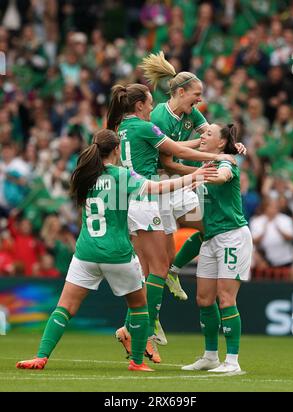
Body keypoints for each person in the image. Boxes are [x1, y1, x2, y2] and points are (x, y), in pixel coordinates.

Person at [16, 128, 210, 372]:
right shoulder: (122, 175)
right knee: (139, 307)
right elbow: (158, 188)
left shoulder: (83, 175)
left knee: (64, 308)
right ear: (117, 150)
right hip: (117, 253)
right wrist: (196, 176)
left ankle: (41, 356)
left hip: (85, 253)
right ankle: (137, 362)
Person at [106, 83, 230, 363]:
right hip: (145, 197)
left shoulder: (125, 128)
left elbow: (177, 148)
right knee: (159, 267)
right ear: (139, 106)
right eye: (149, 103)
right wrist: (216, 156)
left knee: (151, 269)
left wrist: (203, 147)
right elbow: (179, 153)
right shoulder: (144, 127)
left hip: (131, 199)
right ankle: (143, 332)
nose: (153, 108)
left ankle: (134, 329)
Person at [139, 51, 246, 300]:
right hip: (159, 186)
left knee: (209, 227)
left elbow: (212, 136)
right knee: (157, 266)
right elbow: (167, 162)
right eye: (196, 94)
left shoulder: (190, 114)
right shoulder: (159, 118)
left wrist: (232, 146)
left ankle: (175, 271)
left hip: (178, 186)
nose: (200, 100)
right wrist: (200, 173)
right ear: (180, 93)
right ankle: (148, 321)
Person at [182, 124, 253, 373]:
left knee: (226, 298)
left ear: (221, 144)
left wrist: (197, 177)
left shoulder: (228, 162)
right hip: (211, 238)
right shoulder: (205, 164)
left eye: (208, 134)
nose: (202, 136)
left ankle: (232, 361)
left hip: (232, 236)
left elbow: (223, 176)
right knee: (204, 298)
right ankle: (210, 356)